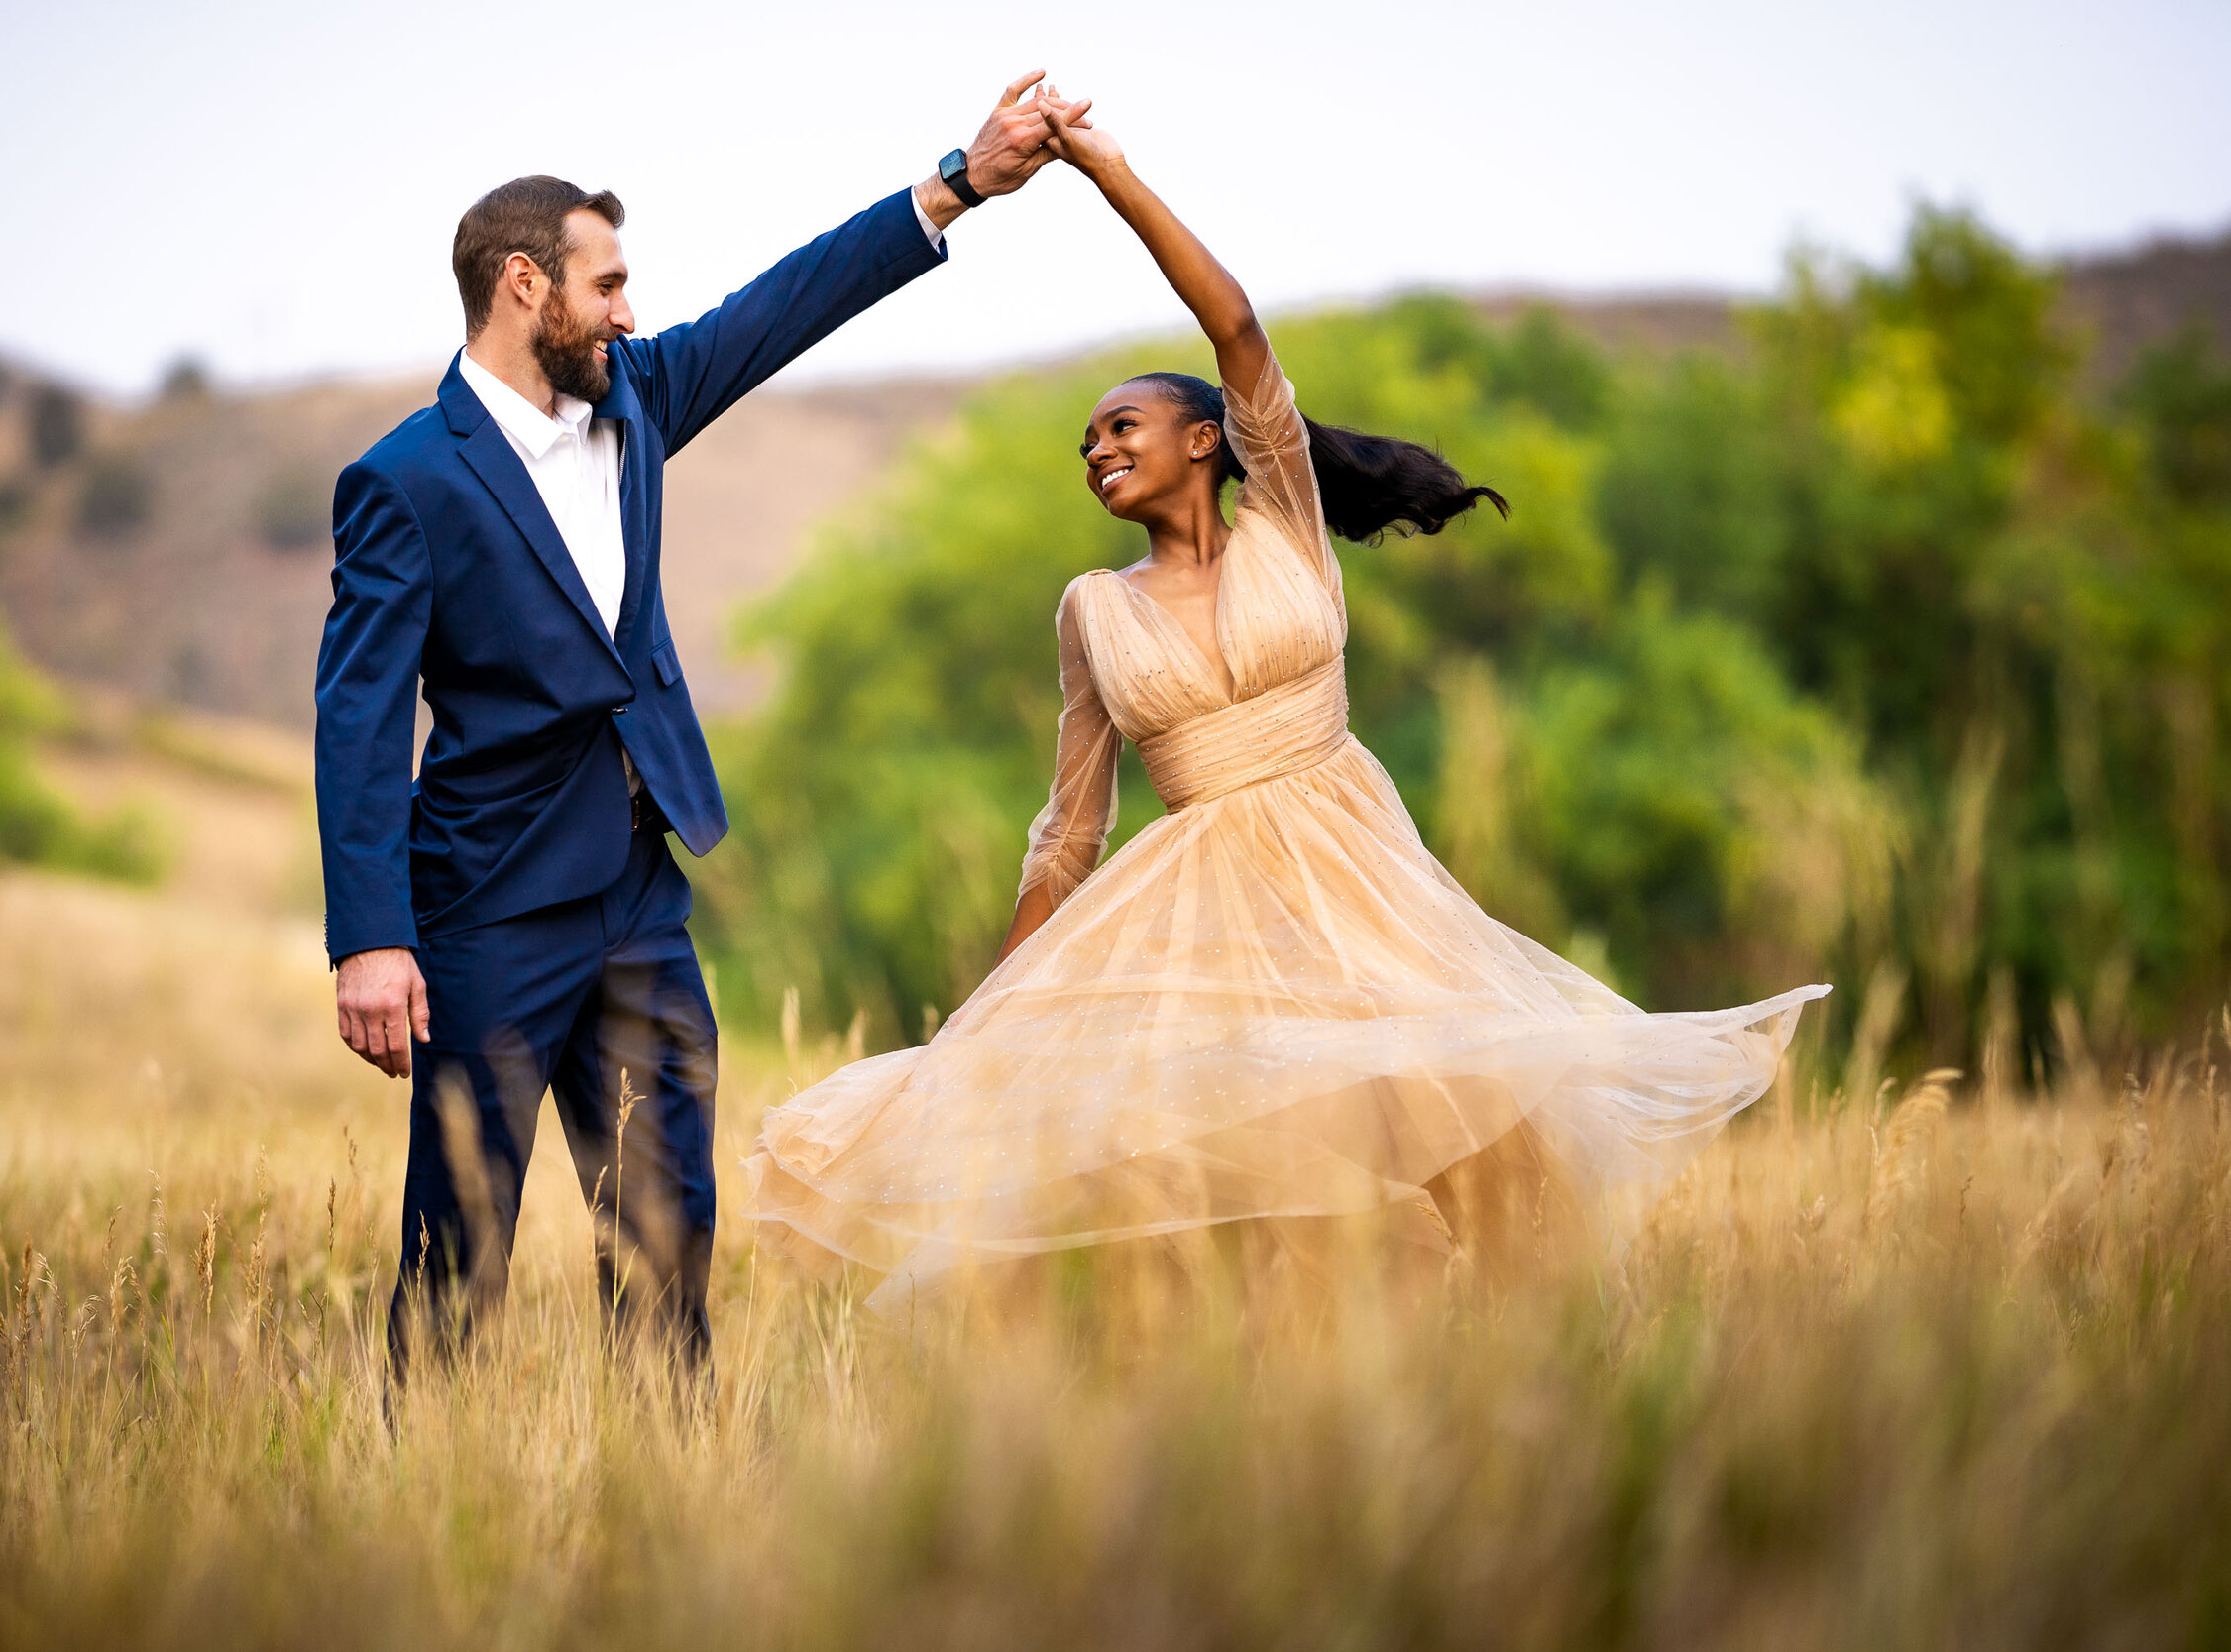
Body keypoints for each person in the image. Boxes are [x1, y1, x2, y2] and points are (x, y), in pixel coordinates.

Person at [742, 98, 1830, 1300]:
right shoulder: (1092, 609)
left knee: (1474, 1151)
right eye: (1085, 443)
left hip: (1353, 882)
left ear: (1207, 439)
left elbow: (1235, 323)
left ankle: (1529, 1384)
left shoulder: (1290, 525)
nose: (1098, 449)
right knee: (1248, 1196)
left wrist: (1110, 174)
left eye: (1122, 425)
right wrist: (979, 1030)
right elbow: (1068, 833)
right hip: (1198, 919)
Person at [315, 73, 1083, 1376]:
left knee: (671, 1234)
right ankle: (417, 1496)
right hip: (489, 908)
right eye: (605, 284)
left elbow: (787, 303)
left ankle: (667, 1489)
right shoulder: (404, 481)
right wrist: (373, 939)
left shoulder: (639, 394)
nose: (630, 309)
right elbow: (359, 716)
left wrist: (961, 179)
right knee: (462, 1252)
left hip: (639, 898)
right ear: (523, 287)